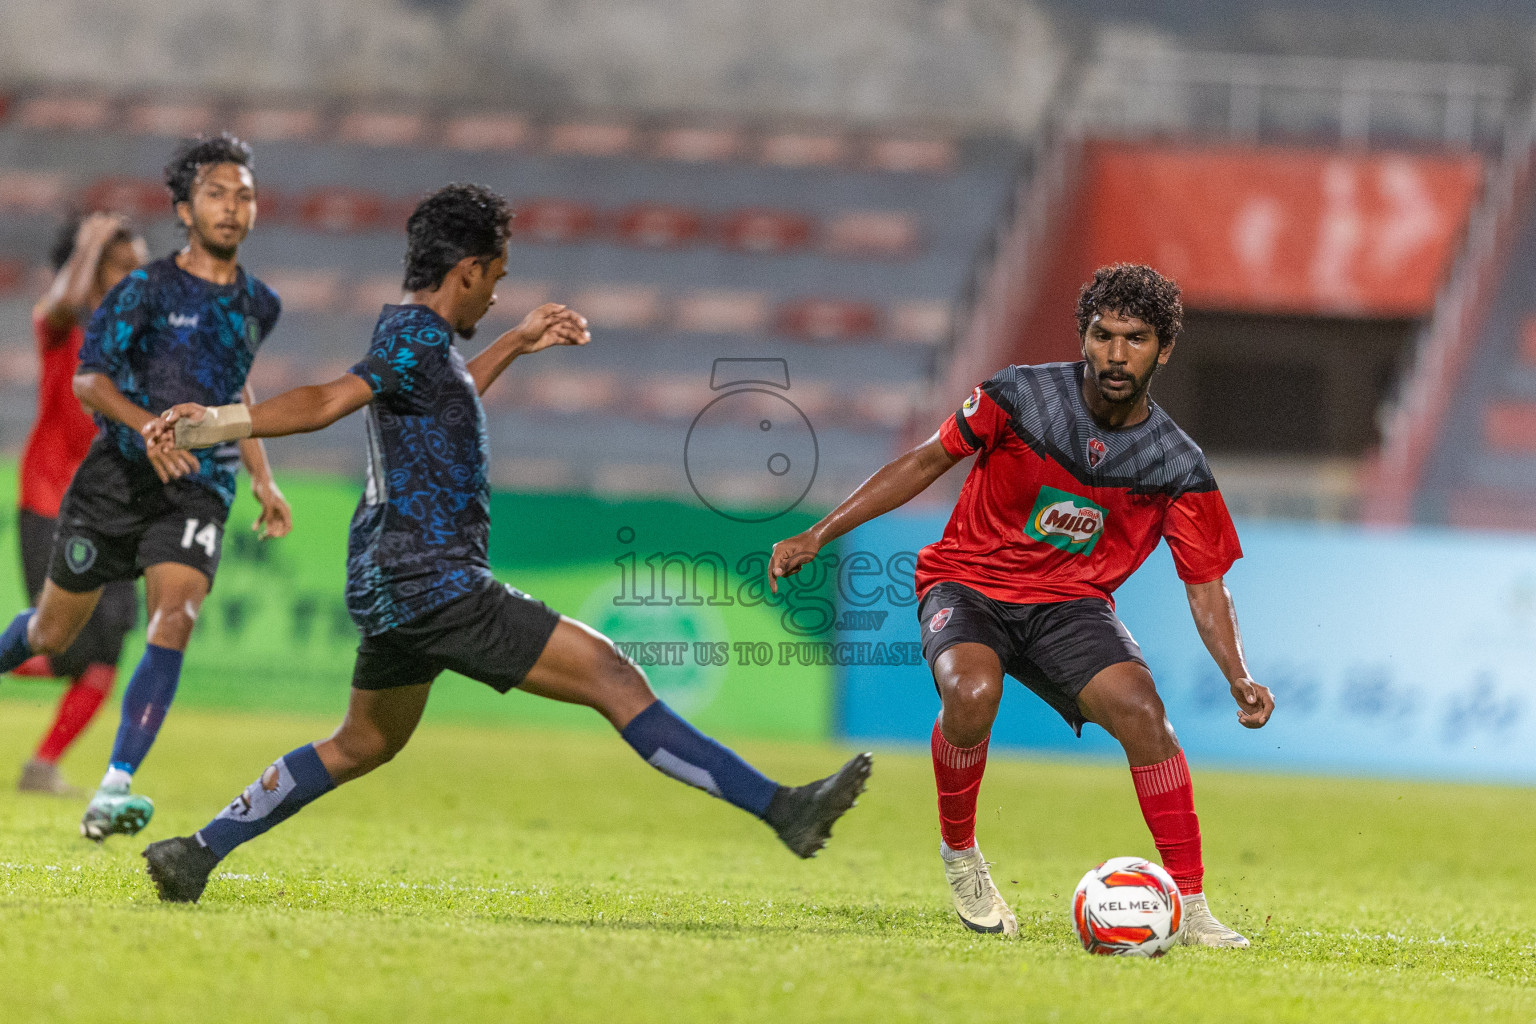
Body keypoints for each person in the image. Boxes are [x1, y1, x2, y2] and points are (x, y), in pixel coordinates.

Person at [137, 183, 871, 903]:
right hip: (435, 581)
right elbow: (325, 401)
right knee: (614, 678)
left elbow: (443, 399)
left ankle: (197, 852)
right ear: (467, 272)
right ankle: (784, 810)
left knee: (362, 744)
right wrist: (220, 425)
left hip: (391, 585)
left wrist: (516, 343)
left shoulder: (416, 346)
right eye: (496, 277)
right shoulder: (415, 342)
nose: (495, 295)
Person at [768, 264, 1275, 948]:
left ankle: (1191, 904)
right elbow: (923, 463)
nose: (1116, 354)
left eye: (1136, 339)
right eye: (1103, 335)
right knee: (972, 692)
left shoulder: (1176, 463)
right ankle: (961, 855)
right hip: (967, 583)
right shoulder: (1018, 396)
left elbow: (1205, 582)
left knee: (1144, 714)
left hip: (1070, 606)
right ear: (1084, 336)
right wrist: (819, 532)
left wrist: (1236, 674)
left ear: (1165, 348)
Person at [0, 132, 291, 840]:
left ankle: (114, 785)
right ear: (186, 210)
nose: (232, 207)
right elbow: (88, 380)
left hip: (197, 484)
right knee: (50, 630)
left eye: (243, 195)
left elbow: (234, 390)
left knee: (173, 619)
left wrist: (261, 474)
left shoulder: (261, 305)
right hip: (113, 484)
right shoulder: (140, 291)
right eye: (216, 193)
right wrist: (148, 428)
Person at [10, 213, 148, 795]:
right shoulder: (62, 325)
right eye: (122, 267)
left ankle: (43, 765)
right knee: (59, 642)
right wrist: (91, 238)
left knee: (108, 647)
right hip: (49, 499)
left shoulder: (140, 341)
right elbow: (63, 300)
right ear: (89, 271)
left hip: (113, 506)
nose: (136, 279)